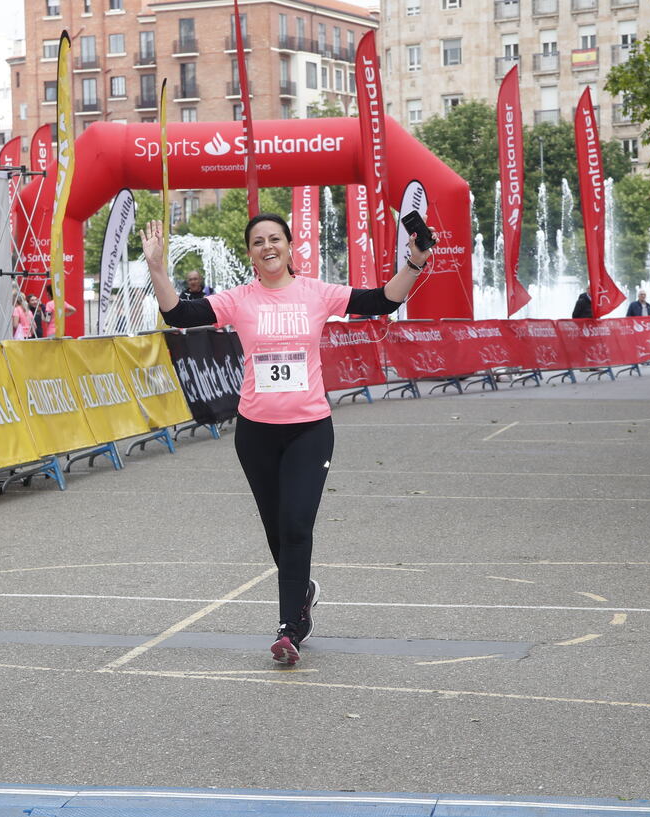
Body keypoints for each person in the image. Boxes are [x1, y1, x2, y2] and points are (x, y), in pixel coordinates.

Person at [141, 213, 433, 665]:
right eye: (258, 242)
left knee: (297, 524)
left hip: (309, 429)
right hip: (255, 434)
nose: (267, 246)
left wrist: (413, 263)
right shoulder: (240, 299)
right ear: (250, 254)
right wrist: (158, 268)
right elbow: (180, 314)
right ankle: (304, 594)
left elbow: (381, 301)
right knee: (278, 531)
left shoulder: (317, 293)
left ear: (290, 245)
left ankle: (287, 629)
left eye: (275, 238)